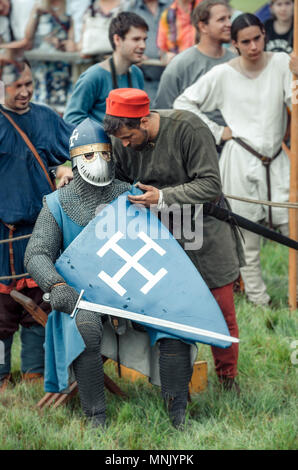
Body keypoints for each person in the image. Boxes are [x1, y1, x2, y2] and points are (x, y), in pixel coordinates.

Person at [24, 117, 197, 429]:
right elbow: (36, 253)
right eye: (90, 155)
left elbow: (159, 245)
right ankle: (96, 417)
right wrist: (56, 284)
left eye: (105, 153)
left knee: (174, 324)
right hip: (82, 293)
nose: (100, 161)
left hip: (135, 287)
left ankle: (177, 414)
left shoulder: (129, 194)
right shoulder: (57, 203)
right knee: (86, 328)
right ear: (75, 161)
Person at [103, 88, 243, 397]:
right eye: (120, 140)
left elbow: (209, 184)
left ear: (144, 120)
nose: (124, 145)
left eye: (129, 137)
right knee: (168, 315)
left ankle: (228, 382)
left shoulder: (188, 128)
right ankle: (175, 385)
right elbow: (119, 182)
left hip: (205, 231)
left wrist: (163, 197)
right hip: (159, 237)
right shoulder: (120, 140)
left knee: (221, 312)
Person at [174, 13, 296, 306]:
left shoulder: (280, 63)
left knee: (291, 226)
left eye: (257, 38)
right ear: (235, 44)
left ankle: (295, 295)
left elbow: (293, 100)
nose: (253, 46)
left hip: (278, 159)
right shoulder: (223, 74)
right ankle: (259, 300)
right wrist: (217, 130)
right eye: (245, 41)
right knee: (247, 237)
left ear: (264, 35)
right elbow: (183, 103)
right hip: (240, 159)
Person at [0, 60, 74, 392]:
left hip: (40, 231)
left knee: (39, 307)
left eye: (29, 83)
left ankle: (33, 373)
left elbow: (73, 152)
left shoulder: (46, 118)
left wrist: (67, 169)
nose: (26, 91)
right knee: (0, 316)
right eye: (17, 85)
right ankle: (1, 374)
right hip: (1, 236)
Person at [154, 0, 235, 129]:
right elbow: (163, 114)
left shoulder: (236, 61)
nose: (229, 24)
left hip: (234, 144)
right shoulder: (180, 65)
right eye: (221, 20)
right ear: (203, 27)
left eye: (229, 18)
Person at [63, 12, 147, 126]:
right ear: (117, 39)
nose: (143, 45)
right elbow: (71, 119)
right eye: (136, 39)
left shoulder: (136, 73)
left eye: (144, 39)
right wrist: (104, 134)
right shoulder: (93, 77)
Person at [122, 0, 171, 101]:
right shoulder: (131, 8)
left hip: (172, 76)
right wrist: (132, 53)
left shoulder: (172, 5)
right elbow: (123, 39)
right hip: (145, 78)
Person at [156, 0, 202, 65]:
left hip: (203, 64)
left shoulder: (205, 8)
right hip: (179, 66)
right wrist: (166, 56)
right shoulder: (167, 14)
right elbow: (162, 49)